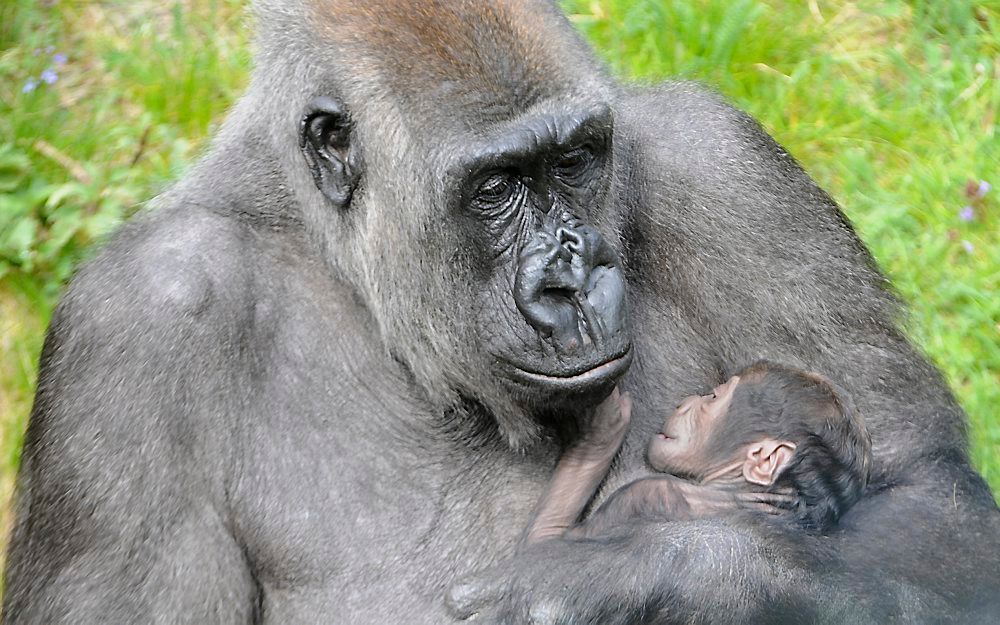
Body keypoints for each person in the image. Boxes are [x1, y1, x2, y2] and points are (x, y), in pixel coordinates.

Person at [522, 361, 872, 546]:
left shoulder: (663, 503)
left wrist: (592, 449)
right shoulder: (804, 554)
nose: (687, 403)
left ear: (764, 460)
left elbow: (536, 574)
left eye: (713, 399)